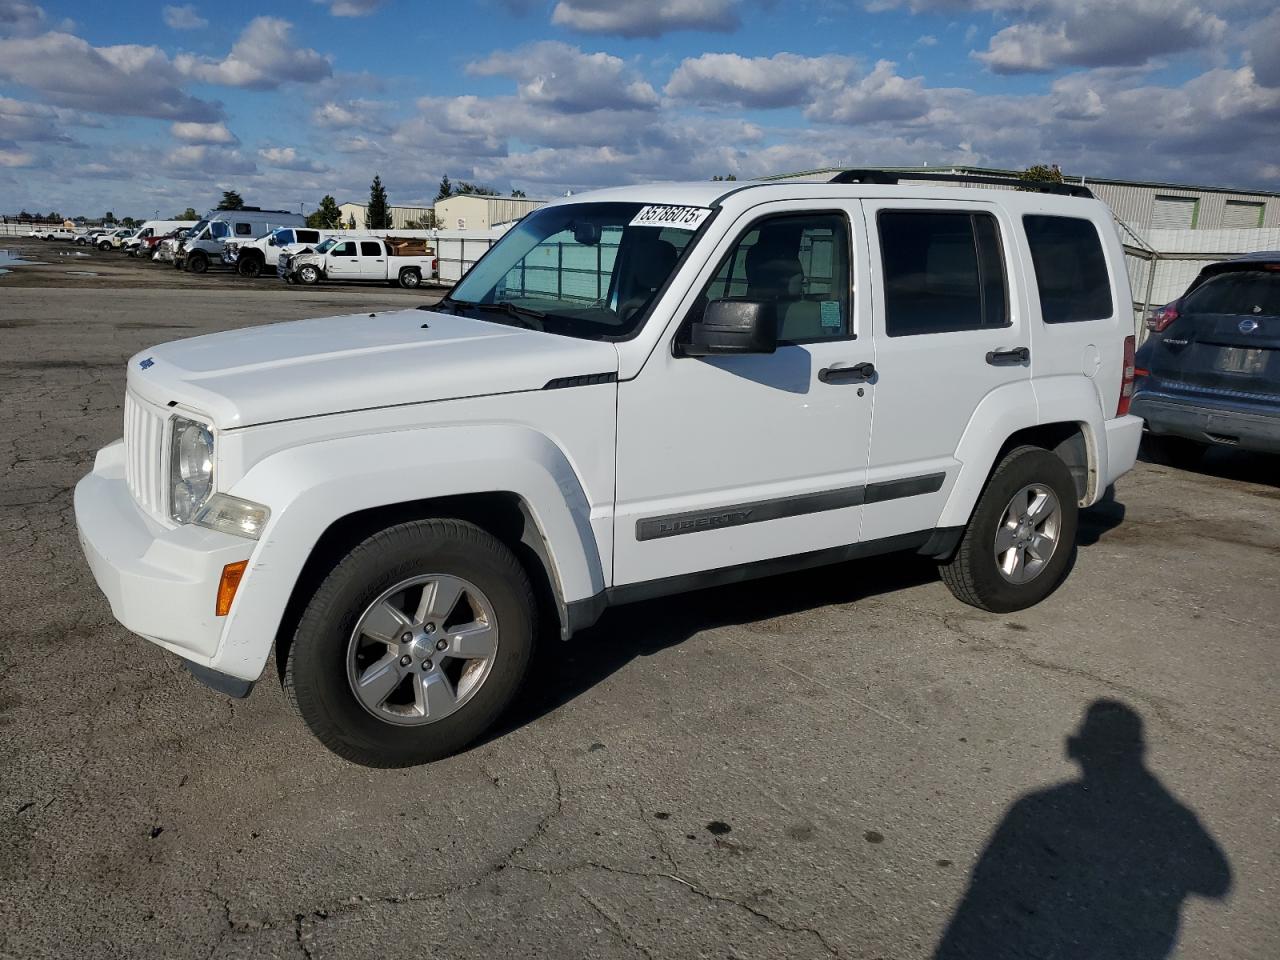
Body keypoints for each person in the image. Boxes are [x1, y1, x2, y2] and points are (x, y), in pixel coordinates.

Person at [934, 699, 1231, 959]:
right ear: (1137, 748)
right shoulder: (1172, 816)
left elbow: (984, 890)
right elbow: (1217, 881)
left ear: (1082, 747)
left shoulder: (1038, 805)